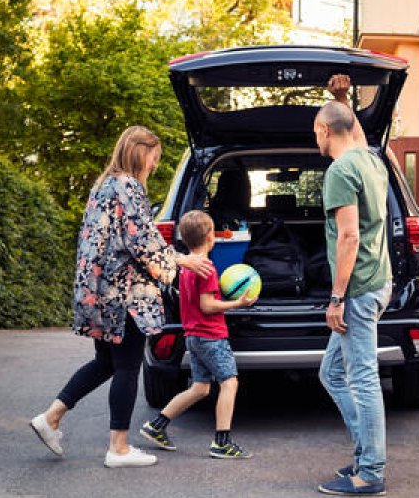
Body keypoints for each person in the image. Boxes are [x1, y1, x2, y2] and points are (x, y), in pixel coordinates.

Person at [29, 126, 213, 468]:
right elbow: (141, 242)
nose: (155, 166)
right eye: (154, 158)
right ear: (139, 153)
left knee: (106, 362)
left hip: (97, 290)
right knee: (128, 365)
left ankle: (51, 417)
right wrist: (183, 259)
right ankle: (119, 448)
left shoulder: (103, 185)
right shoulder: (128, 187)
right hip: (122, 293)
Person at [314, 75, 393, 496]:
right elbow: (356, 130)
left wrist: (336, 298)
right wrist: (342, 99)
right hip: (377, 282)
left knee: (361, 378)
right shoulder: (369, 159)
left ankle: (371, 472)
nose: (316, 138)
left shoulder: (340, 170)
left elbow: (349, 237)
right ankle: (366, 453)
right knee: (332, 373)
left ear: (325, 131)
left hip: (357, 290)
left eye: (316, 131)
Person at [139, 209, 256, 459]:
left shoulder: (185, 268)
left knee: (201, 388)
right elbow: (208, 306)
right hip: (211, 336)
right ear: (211, 237)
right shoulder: (208, 269)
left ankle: (156, 426)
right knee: (229, 382)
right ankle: (222, 442)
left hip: (193, 335)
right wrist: (238, 304)